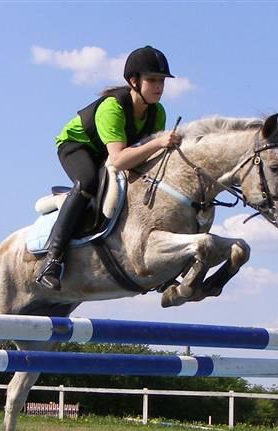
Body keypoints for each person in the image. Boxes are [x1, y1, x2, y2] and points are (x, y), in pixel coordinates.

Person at [35, 45, 182, 291]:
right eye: (152, 80)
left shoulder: (157, 112)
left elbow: (144, 156)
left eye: (162, 81)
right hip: (78, 146)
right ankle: (52, 260)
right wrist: (158, 142)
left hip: (113, 150)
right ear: (133, 81)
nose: (159, 87)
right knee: (88, 182)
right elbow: (118, 159)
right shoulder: (112, 107)